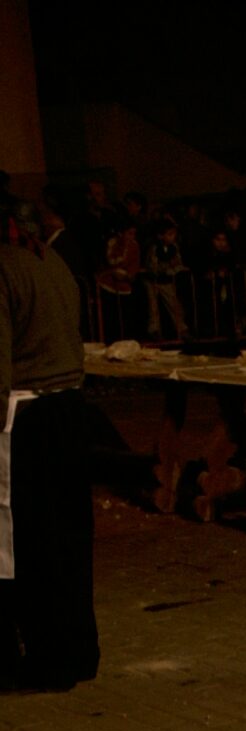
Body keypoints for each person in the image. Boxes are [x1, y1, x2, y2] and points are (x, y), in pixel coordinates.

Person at [0, 214, 99, 691]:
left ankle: (43, 658)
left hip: (24, 413)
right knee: (70, 536)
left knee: (25, 544)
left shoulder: (5, 268)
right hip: (67, 405)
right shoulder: (53, 262)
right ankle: (78, 650)